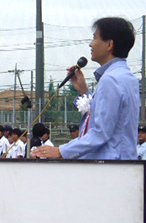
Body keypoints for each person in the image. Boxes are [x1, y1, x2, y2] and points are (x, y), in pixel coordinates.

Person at [32, 17, 139, 160]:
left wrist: (61, 151)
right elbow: (113, 122)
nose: (90, 44)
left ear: (109, 44)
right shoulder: (127, 77)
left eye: (95, 38)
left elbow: (101, 133)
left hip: (110, 167)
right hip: (123, 163)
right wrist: (84, 91)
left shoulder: (110, 80)